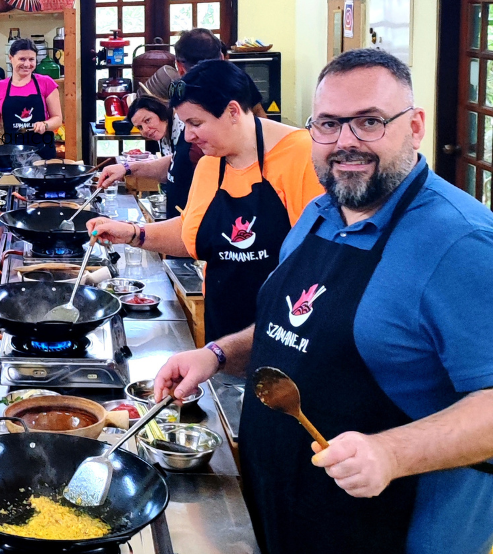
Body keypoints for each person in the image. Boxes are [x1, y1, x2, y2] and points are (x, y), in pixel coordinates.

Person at [153, 49, 493, 554]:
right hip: (285, 507)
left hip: (388, 528)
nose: (346, 142)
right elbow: (295, 329)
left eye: (370, 122)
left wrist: (391, 453)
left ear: (416, 126)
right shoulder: (320, 213)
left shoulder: (461, 243)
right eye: (329, 124)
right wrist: (217, 355)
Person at [89, 61, 322, 342]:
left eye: (195, 123)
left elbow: (322, 262)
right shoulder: (211, 164)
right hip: (222, 334)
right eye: (184, 123)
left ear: (233, 111)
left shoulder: (302, 156)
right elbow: (192, 233)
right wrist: (133, 234)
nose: (188, 135)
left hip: (286, 334)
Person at [96, 95, 203, 219]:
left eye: (148, 120)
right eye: (140, 127)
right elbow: (172, 165)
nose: (145, 130)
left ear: (161, 113)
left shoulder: (187, 131)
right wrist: (125, 168)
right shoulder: (164, 133)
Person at [138, 27, 267, 118]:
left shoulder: (183, 90)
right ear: (222, 57)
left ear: (179, 66)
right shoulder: (239, 77)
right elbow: (260, 117)